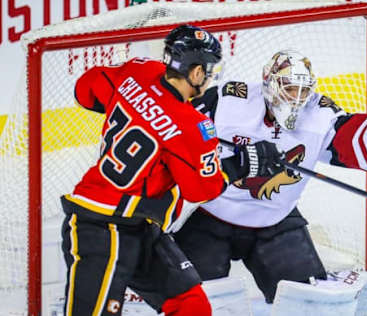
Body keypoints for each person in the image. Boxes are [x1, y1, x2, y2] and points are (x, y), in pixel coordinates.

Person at [174, 50, 367, 312]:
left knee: (311, 306)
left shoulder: (318, 113)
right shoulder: (228, 100)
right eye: (289, 88)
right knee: (191, 300)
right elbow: (178, 130)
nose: (297, 98)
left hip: (276, 221)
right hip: (210, 216)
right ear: (269, 82)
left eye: (303, 90)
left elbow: (355, 148)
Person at [60, 24, 283, 316]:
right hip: (101, 226)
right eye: (210, 69)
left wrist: (138, 110)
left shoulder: (137, 71)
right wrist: (243, 163)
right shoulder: (192, 126)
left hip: (142, 228)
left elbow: (84, 91)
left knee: (192, 306)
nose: (212, 75)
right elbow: (202, 189)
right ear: (196, 73)